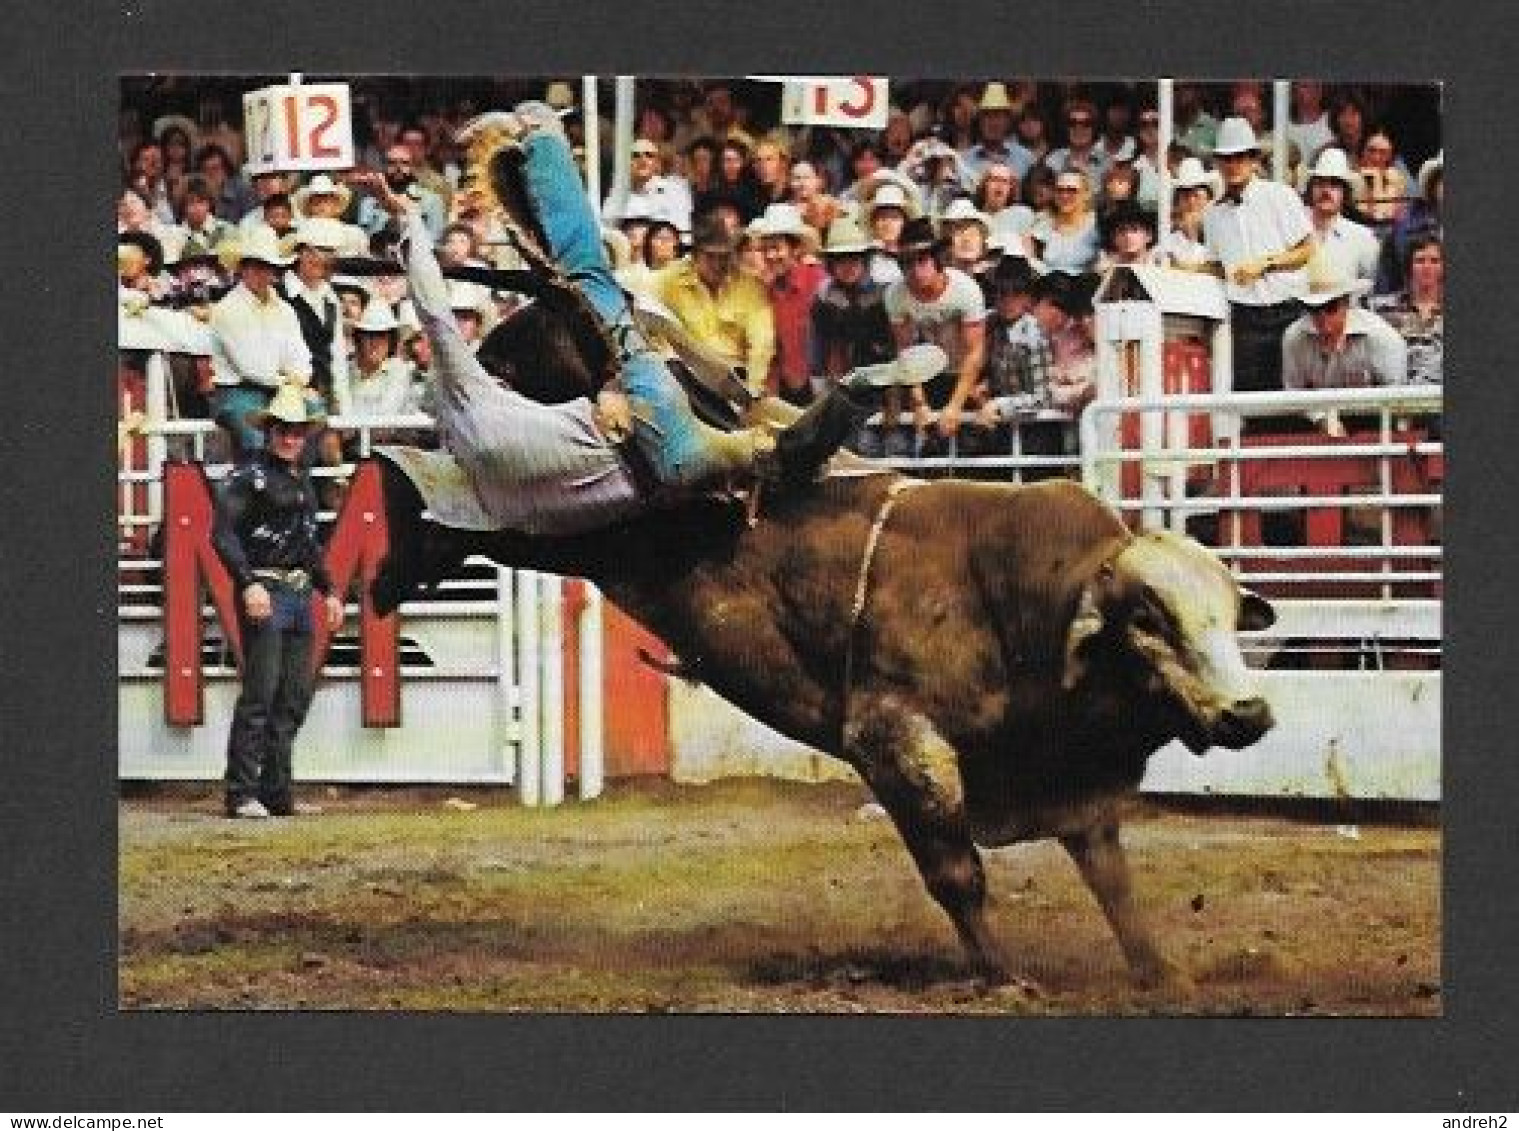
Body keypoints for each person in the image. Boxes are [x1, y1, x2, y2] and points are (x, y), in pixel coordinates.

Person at [358, 106, 940, 537]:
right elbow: (433, 309)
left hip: (663, 475)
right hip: (647, 412)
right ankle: (544, 137)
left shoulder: (500, 505)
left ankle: (846, 401)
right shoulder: (468, 398)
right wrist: (407, 217)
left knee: (768, 451)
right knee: (588, 273)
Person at [212, 383, 345, 819]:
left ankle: (274, 792)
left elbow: (308, 544)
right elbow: (223, 534)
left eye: (297, 431)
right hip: (267, 588)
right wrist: (248, 583)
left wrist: (328, 590)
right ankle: (242, 792)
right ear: (270, 431)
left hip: (298, 590)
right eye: (283, 430)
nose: (290, 438)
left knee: (291, 696)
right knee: (261, 693)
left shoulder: (299, 483)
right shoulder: (249, 478)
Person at [1196, 117, 1314, 408]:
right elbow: (1217, 266)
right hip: (1244, 317)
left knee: (1295, 398)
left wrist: (1265, 264)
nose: (1232, 164)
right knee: (1251, 402)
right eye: (1226, 158)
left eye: (1239, 157)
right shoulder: (1212, 214)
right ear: (1218, 163)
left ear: (1252, 159)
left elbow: (1307, 251)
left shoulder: (1279, 195)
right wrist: (1183, 270)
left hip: (1289, 309)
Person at [208, 227, 314, 454]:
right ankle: (258, 487)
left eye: (267, 267)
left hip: (280, 388)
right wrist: (289, 383)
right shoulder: (227, 309)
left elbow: (299, 354)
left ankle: (301, 485)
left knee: (316, 417)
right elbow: (251, 367)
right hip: (236, 392)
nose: (261, 273)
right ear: (243, 268)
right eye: (255, 266)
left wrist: (298, 379)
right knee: (256, 438)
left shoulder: (285, 310)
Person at [886, 215, 988, 447]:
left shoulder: (966, 290)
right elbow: (904, 349)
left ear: (937, 260)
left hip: (965, 374)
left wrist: (955, 405)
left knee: (970, 444)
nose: (914, 269)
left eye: (921, 260)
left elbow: (975, 352)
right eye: (907, 262)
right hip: (926, 374)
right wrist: (919, 402)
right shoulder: (895, 295)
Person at [1281, 254, 1407, 435]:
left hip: (1372, 415)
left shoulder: (1381, 337)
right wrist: (1322, 419)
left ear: (1346, 303)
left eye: (1330, 307)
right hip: (1317, 414)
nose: (1322, 317)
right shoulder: (1294, 337)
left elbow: (1397, 393)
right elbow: (1293, 391)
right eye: (1314, 309)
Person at [656, 213, 775, 397]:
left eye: (724, 257)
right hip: (686, 379)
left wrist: (752, 387)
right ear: (695, 256)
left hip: (735, 381)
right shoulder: (669, 282)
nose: (718, 264)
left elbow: (762, 343)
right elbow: (652, 322)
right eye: (711, 257)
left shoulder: (750, 287)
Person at [754, 203, 827, 405]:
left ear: (795, 249)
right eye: (766, 249)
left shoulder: (819, 282)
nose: (770, 256)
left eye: (776, 248)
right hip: (785, 390)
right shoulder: (767, 291)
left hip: (822, 386)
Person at [1370, 232, 1443, 386]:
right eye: (1420, 260)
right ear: (1409, 266)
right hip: (1394, 395)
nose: (1427, 267)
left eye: (1435, 261)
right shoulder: (1381, 309)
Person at [1302, 148, 1380, 289]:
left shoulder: (1362, 237)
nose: (1326, 191)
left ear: (1345, 192)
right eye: (1320, 183)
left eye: (1334, 184)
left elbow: (1373, 286)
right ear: (1311, 189)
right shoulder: (1293, 230)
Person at [1027, 169, 1101, 274]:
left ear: (1086, 194)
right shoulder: (1042, 222)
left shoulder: (1097, 224)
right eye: (1059, 190)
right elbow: (1030, 258)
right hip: (1048, 284)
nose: (1064, 196)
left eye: (1072, 190)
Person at [959, 82, 1035, 184]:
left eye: (998, 116)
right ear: (980, 122)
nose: (993, 123)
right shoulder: (965, 160)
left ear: (1008, 121)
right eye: (987, 116)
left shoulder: (1025, 158)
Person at [1159, 156, 1216, 268]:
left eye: (1196, 196)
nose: (1191, 202)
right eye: (1185, 196)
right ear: (1177, 203)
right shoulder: (1167, 244)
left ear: (1208, 199)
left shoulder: (1221, 234)